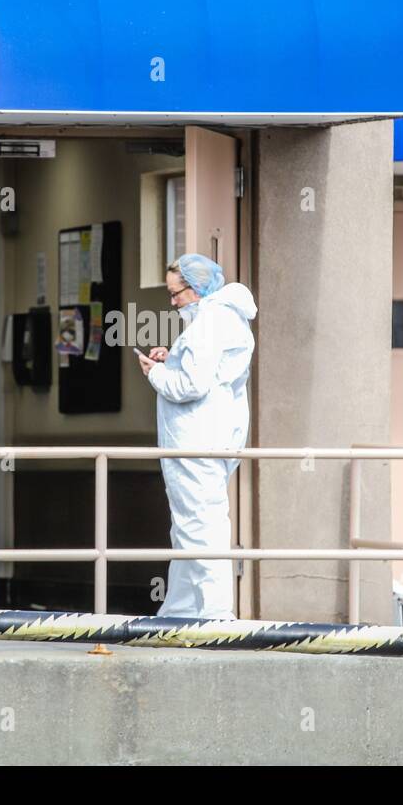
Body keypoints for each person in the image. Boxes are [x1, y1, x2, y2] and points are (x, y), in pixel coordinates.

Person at [135, 254, 257, 620]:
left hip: (196, 438)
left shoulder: (210, 322)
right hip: (213, 434)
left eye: (177, 293)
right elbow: (209, 371)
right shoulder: (222, 317)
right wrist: (172, 358)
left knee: (199, 526)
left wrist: (154, 373)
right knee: (193, 523)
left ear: (197, 286)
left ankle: (212, 615)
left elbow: (192, 385)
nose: (172, 302)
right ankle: (183, 609)